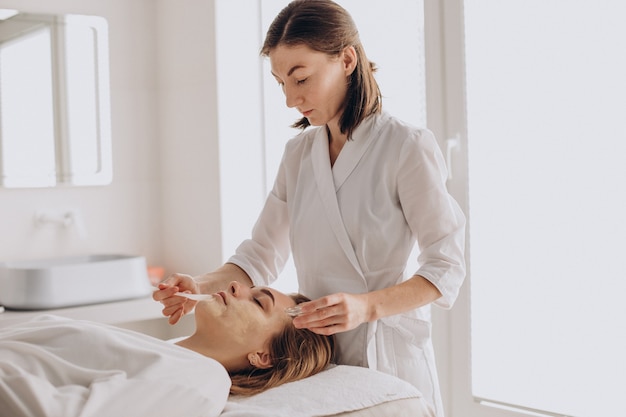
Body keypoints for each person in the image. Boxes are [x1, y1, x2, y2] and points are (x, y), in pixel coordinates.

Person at [153, 1, 465, 415]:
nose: (289, 99)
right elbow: (258, 255)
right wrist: (201, 284)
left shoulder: (405, 147)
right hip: (315, 356)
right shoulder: (299, 154)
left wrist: (365, 306)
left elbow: (446, 267)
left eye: (300, 78)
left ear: (347, 60)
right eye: (281, 82)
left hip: (384, 352)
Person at [0, 282, 335, 417]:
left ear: (263, 356)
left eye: (258, 301)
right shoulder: (168, 354)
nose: (236, 286)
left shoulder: (201, 381)